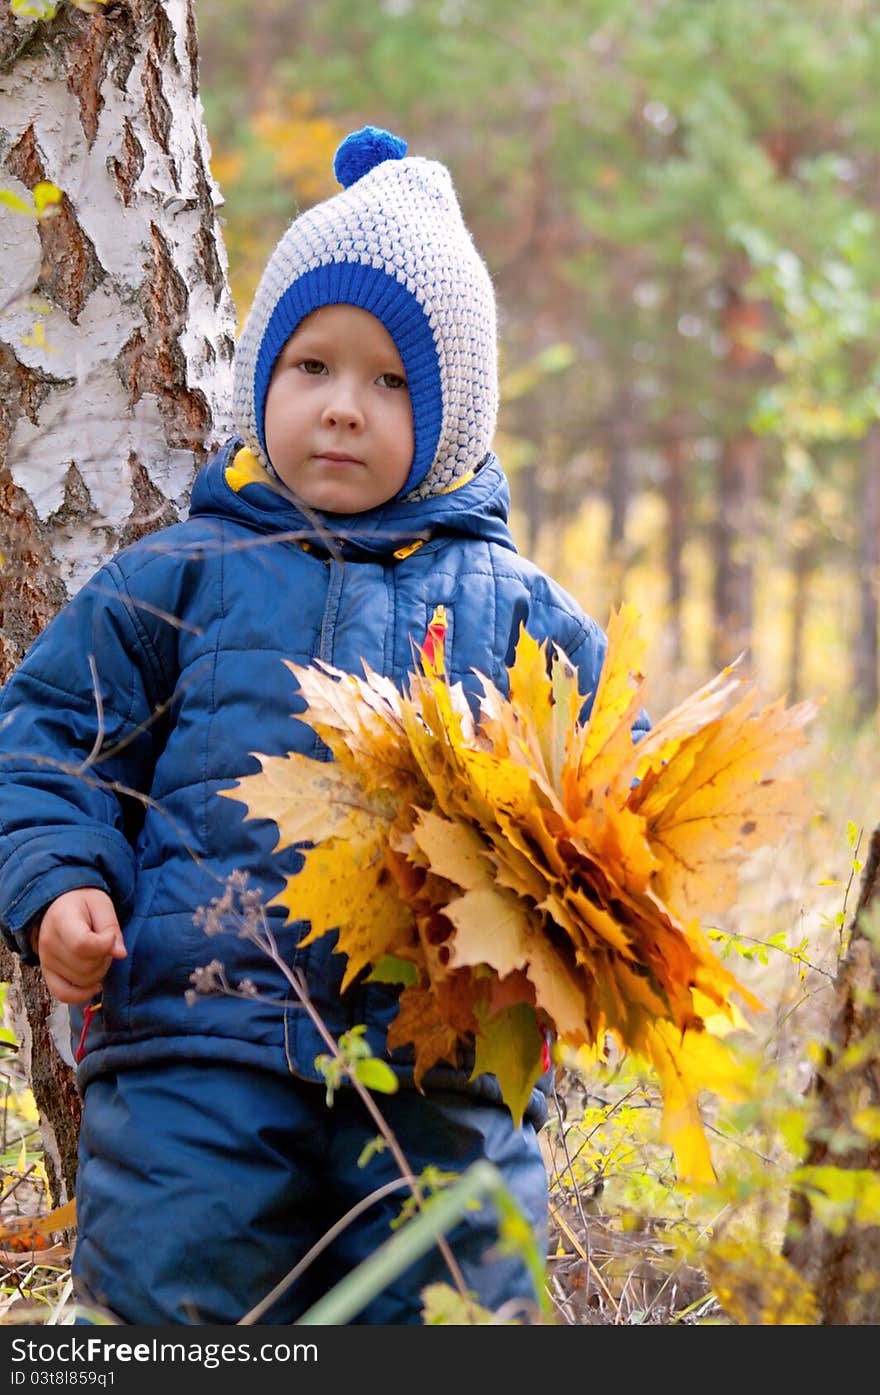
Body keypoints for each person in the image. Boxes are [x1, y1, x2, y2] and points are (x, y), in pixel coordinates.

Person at [0, 126, 647, 1325]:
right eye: (311, 368)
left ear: (453, 416)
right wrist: (55, 880)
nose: (343, 410)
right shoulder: (179, 577)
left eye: (392, 380)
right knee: (163, 1307)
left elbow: (618, 800)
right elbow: (48, 735)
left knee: (459, 1307)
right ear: (260, 382)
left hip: (444, 1072)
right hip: (197, 1049)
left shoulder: (518, 615)